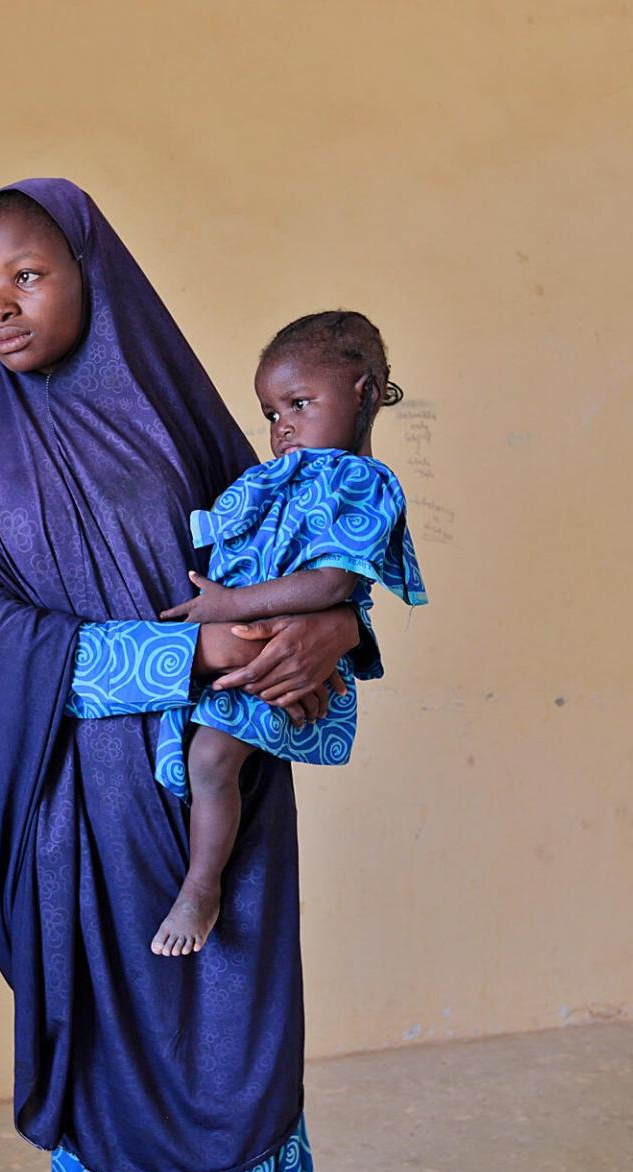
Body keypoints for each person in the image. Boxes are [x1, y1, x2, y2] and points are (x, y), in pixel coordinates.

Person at [0, 179, 374, 1172]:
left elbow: (284, 552)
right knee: (125, 1082)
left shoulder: (172, 405)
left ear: (88, 266)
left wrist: (335, 628)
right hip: (86, 814)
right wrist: (188, 651)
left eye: (27, 275)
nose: (0, 306)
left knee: (236, 1058)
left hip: (230, 796)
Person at [150, 313, 427, 957]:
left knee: (212, 762)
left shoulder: (362, 482)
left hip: (283, 663)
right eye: (272, 411)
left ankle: (201, 888)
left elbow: (332, 583)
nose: (283, 426)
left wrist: (229, 604)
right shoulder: (280, 477)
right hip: (237, 648)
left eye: (299, 403)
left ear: (362, 392)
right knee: (192, 758)